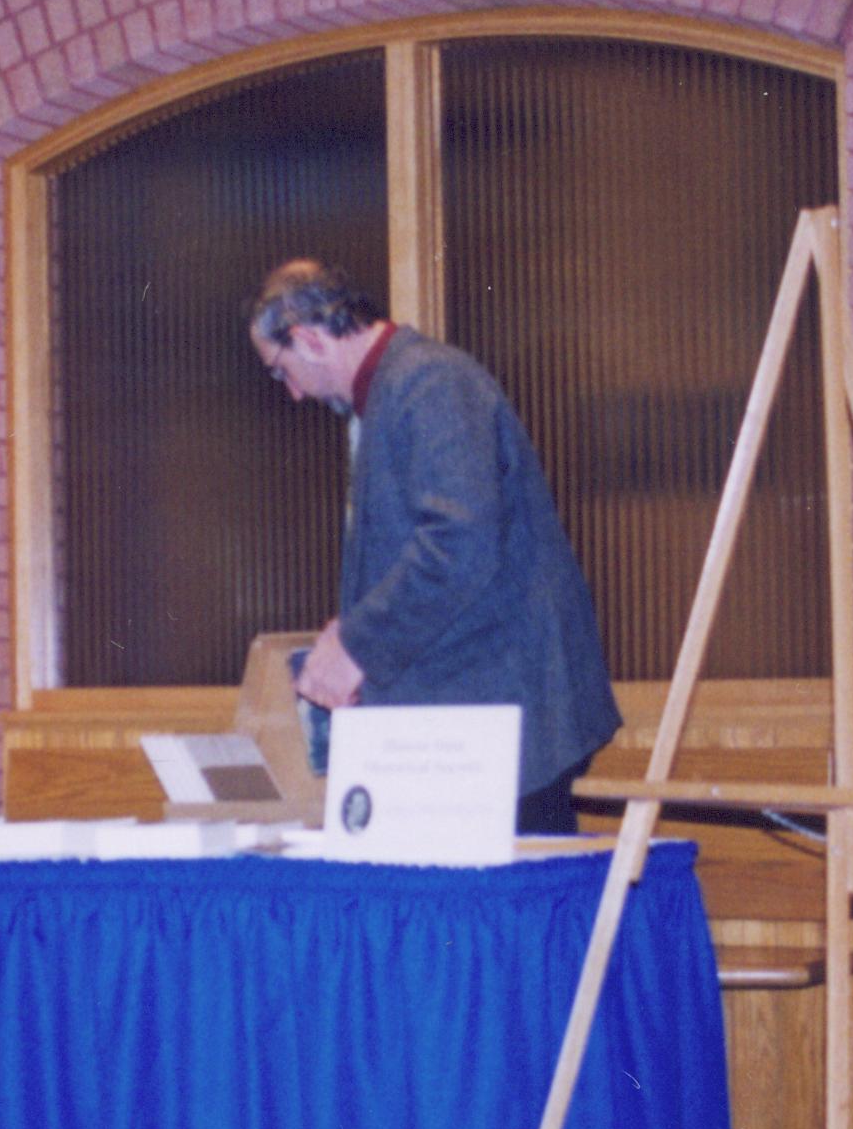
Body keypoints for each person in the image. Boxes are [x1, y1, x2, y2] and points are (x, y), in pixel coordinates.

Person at [248, 259, 619, 832]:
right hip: (481, 722)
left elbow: (459, 543)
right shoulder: (397, 390)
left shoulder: (429, 383)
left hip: (509, 722)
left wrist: (357, 644)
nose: (292, 393)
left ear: (310, 340)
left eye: (281, 370)